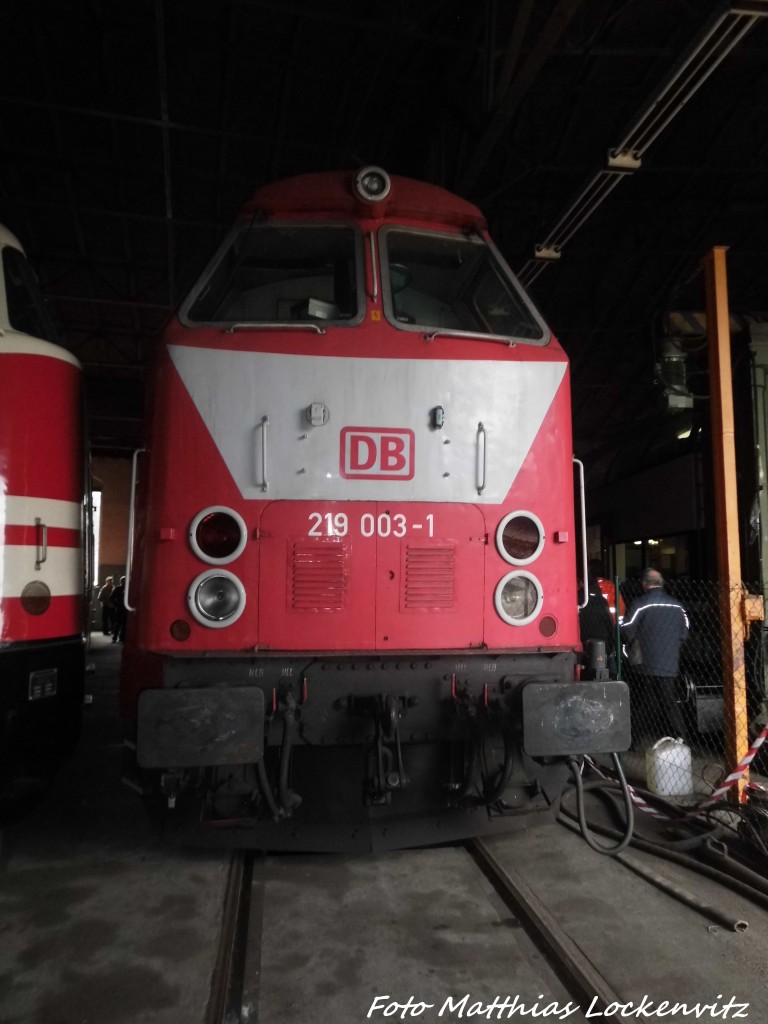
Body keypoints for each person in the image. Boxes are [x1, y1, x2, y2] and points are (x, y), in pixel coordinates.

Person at [621, 568, 689, 742]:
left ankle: (635, 739)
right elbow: (684, 632)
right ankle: (680, 736)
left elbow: (627, 628)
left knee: (644, 702)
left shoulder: (640, 603)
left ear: (644, 583)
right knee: (669, 700)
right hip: (670, 662)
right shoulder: (677, 605)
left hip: (646, 662)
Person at [578, 574, 616, 675]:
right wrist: (612, 643)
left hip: (582, 640)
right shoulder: (602, 601)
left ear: (582, 583)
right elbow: (609, 623)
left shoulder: (577, 599)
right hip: (602, 640)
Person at [110, 576, 127, 643]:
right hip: (120, 609)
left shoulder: (125, 589)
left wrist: (116, 605)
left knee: (123, 624)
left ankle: (121, 637)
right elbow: (111, 598)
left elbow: (111, 598)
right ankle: (116, 637)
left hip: (124, 609)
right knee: (119, 624)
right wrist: (117, 605)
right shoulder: (118, 589)